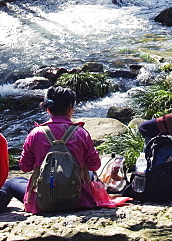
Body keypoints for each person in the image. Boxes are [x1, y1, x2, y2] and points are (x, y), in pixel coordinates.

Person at [15, 86, 122, 214]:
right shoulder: (81, 133)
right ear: (70, 108)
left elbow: (25, 167)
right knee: (91, 174)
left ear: (48, 109)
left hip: (42, 201)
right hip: (79, 201)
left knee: (14, 182)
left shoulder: (35, 133)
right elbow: (94, 165)